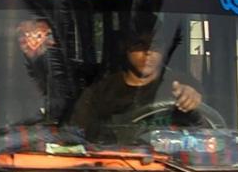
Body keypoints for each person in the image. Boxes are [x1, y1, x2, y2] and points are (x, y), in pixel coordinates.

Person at [66, 27, 207, 138]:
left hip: (175, 168)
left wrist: (193, 100)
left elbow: (213, 131)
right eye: (140, 45)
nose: (148, 52)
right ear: (126, 48)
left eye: (155, 45)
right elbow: (76, 135)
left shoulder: (183, 85)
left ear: (165, 49)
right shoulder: (100, 92)